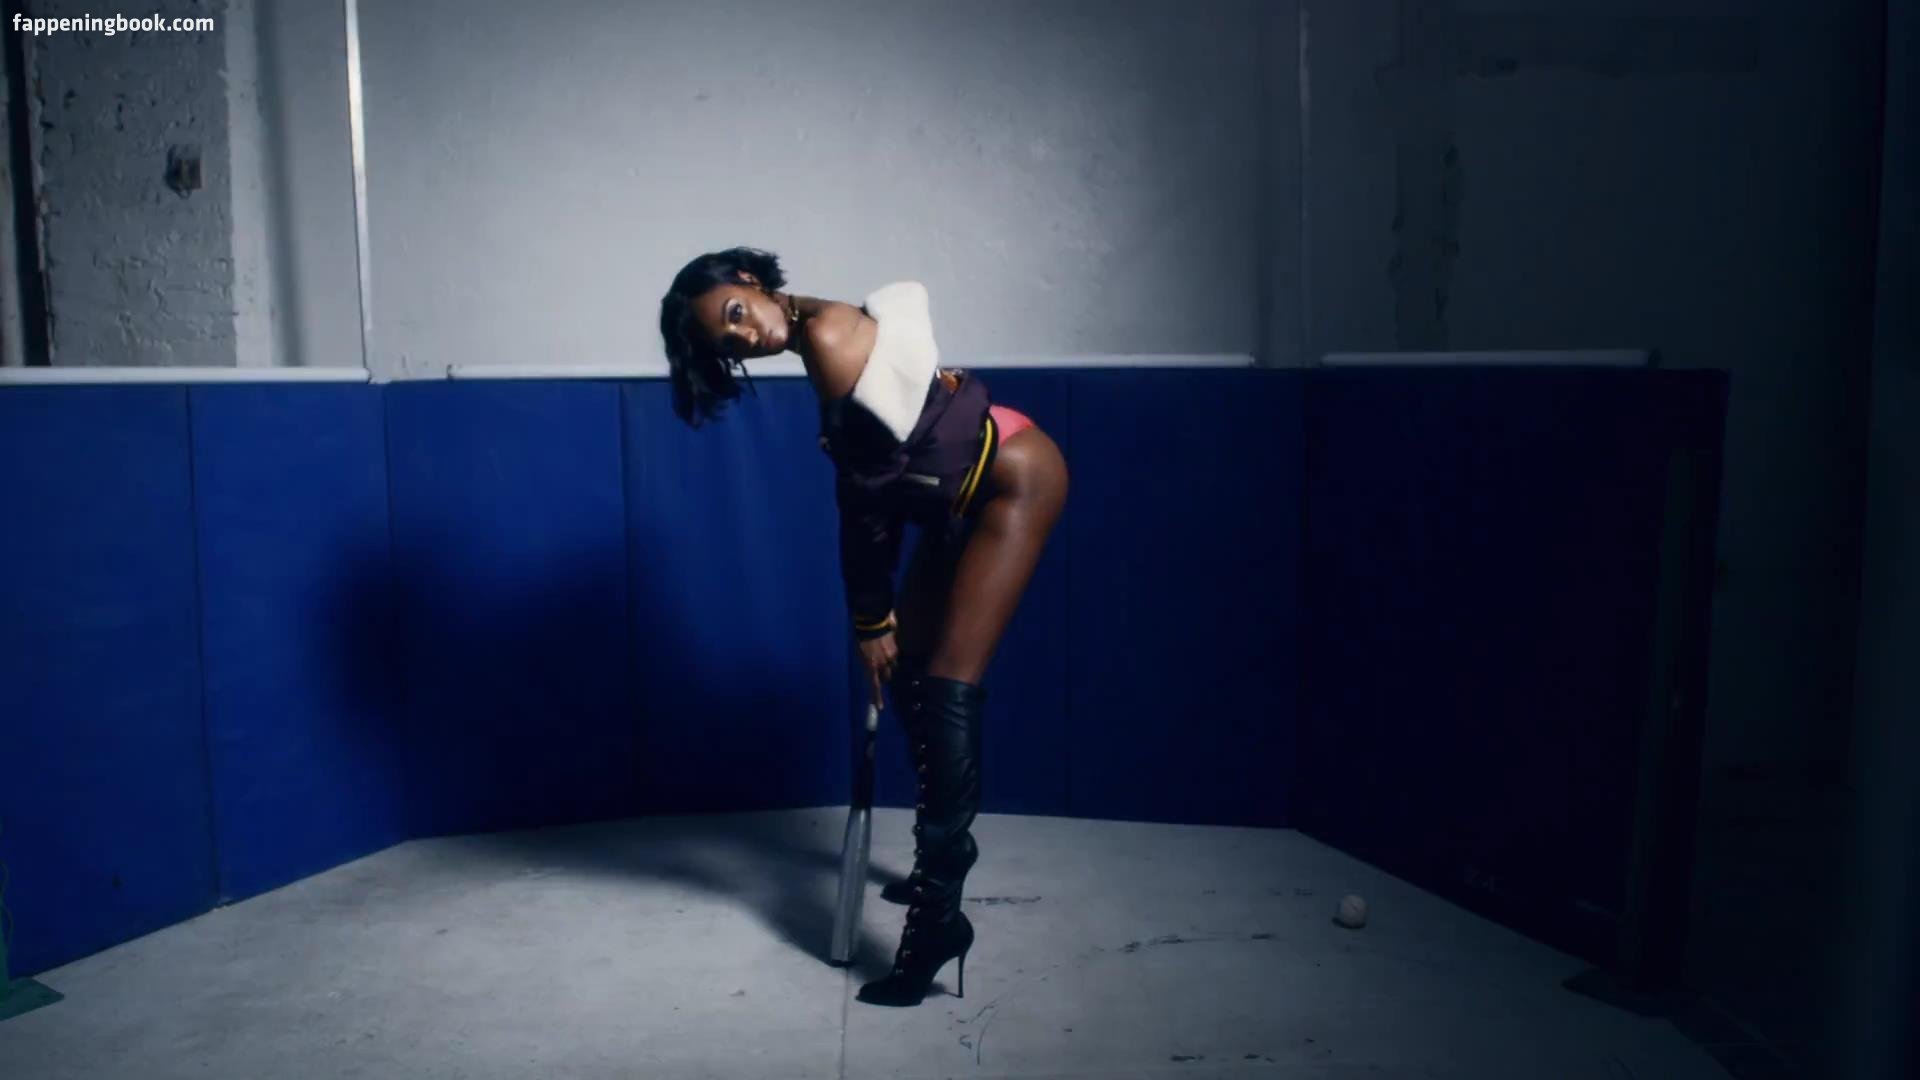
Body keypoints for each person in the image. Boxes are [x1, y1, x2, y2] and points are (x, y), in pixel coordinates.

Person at [658, 247, 1068, 1007]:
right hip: (952, 501)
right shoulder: (823, 324)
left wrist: (870, 616)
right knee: (907, 672)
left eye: (735, 314)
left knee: (947, 687)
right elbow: (898, 448)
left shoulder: (830, 338)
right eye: (727, 342)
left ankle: (938, 921)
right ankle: (931, 864)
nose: (742, 337)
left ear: (749, 282)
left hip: (1011, 478)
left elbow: (868, 509)